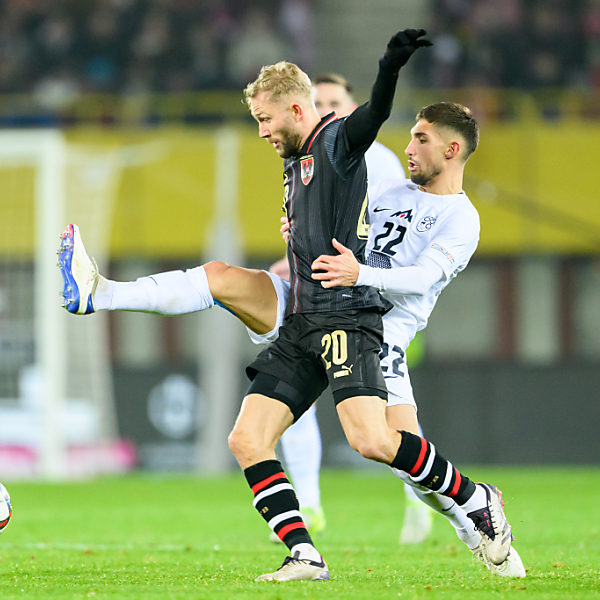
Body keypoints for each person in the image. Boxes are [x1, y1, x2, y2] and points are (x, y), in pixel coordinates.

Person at [58, 30, 518, 582]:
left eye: (420, 138)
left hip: (371, 325)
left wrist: (356, 269)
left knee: (384, 446)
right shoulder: (376, 185)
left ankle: (475, 507)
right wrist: (301, 235)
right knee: (228, 309)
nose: (408, 147)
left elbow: (419, 274)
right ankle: (102, 293)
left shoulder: (458, 216)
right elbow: (340, 222)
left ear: (450, 149)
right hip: (312, 309)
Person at [270, 71, 433, 546]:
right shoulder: (305, 153)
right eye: (318, 100)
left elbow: (384, 230)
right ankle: (309, 503)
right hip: (323, 296)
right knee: (294, 401)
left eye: (334, 100)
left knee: (386, 424)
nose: (326, 107)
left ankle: (426, 496)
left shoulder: (375, 158)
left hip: (369, 302)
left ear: (351, 103)